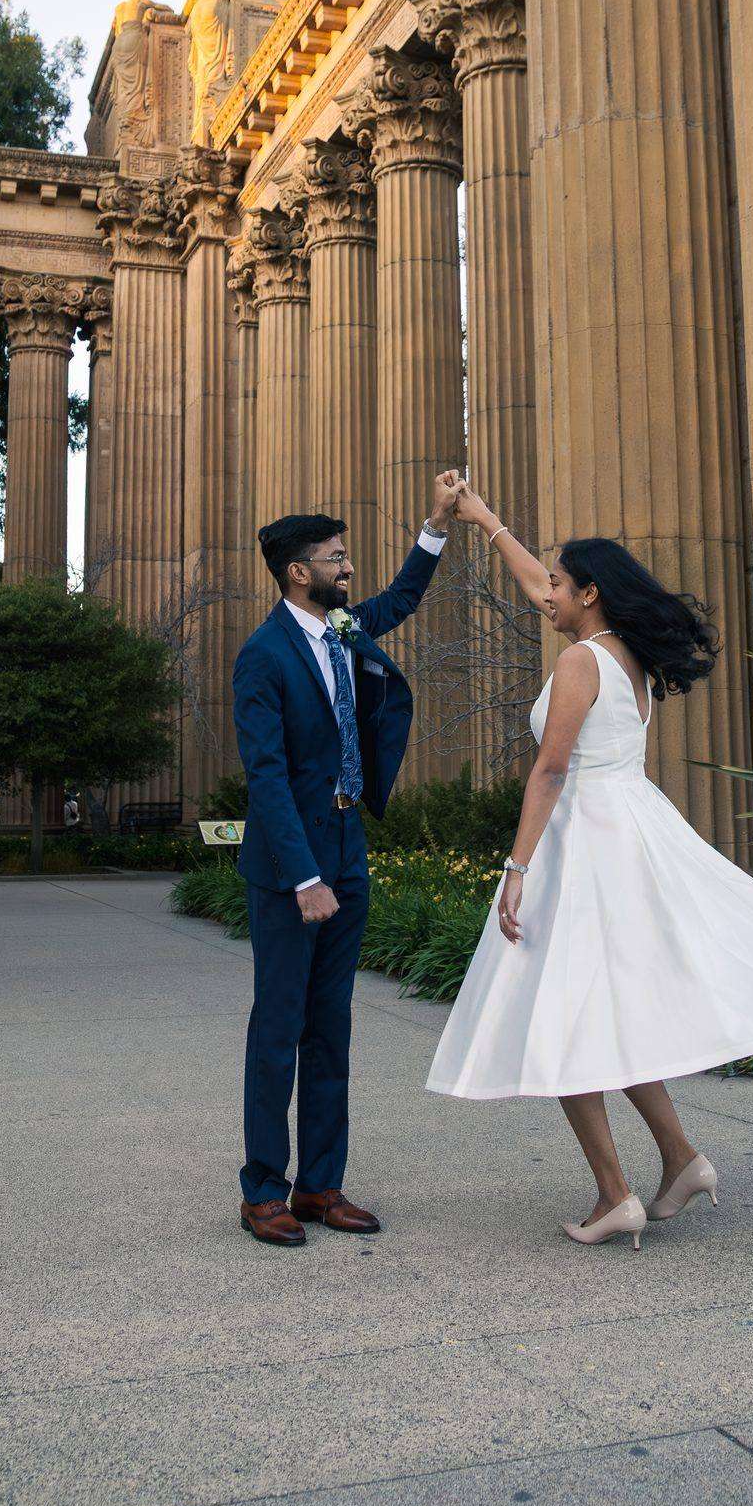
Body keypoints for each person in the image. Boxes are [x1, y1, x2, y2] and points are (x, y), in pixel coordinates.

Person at [427, 487, 753, 1249]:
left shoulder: (579, 662)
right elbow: (535, 585)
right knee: (609, 1016)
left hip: (583, 844)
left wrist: (515, 868)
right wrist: (482, 519)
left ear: (590, 594)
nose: (547, 595)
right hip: (629, 833)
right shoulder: (624, 658)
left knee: (562, 1017)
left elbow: (548, 771)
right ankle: (679, 1160)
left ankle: (614, 1195)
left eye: (561, 586)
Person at [232, 470, 464, 1247]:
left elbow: (399, 599)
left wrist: (435, 524)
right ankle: (262, 1189)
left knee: (331, 1031)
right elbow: (263, 776)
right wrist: (303, 877)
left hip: (347, 849)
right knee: (279, 1028)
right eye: (335, 557)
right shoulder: (262, 656)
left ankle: (318, 1187)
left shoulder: (340, 630)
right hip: (289, 869)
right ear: (299, 572)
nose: (347, 567)